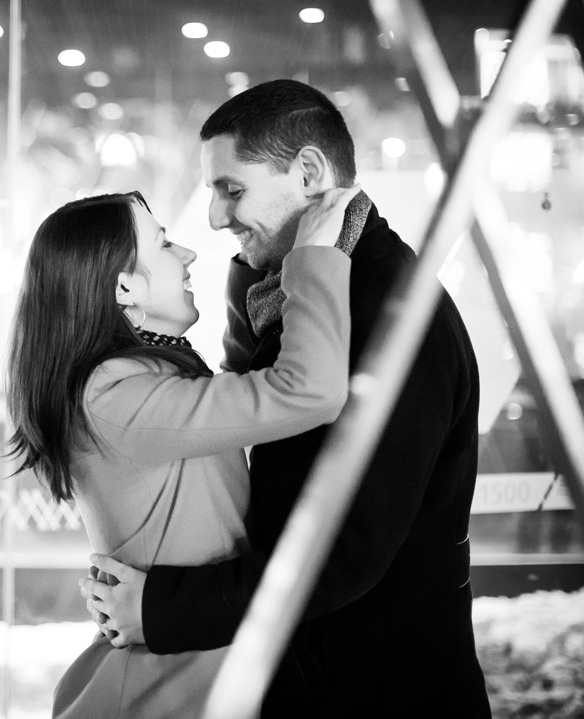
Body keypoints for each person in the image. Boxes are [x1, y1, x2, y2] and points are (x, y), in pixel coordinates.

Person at [83, 79, 492, 718]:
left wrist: (162, 610)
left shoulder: (393, 319)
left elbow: (346, 553)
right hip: (325, 681)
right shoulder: (311, 292)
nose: (215, 218)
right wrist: (269, 264)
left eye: (232, 189)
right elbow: (253, 390)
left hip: (378, 696)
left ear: (308, 172)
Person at [6, 184, 360, 719]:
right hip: (161, 689)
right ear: (125, 286)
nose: (189, 253)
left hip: (189, 677)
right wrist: (311, 257)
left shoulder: (144, 377)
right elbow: (306, 390)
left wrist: (254, 263)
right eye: (165, 245)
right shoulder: (115, 395)